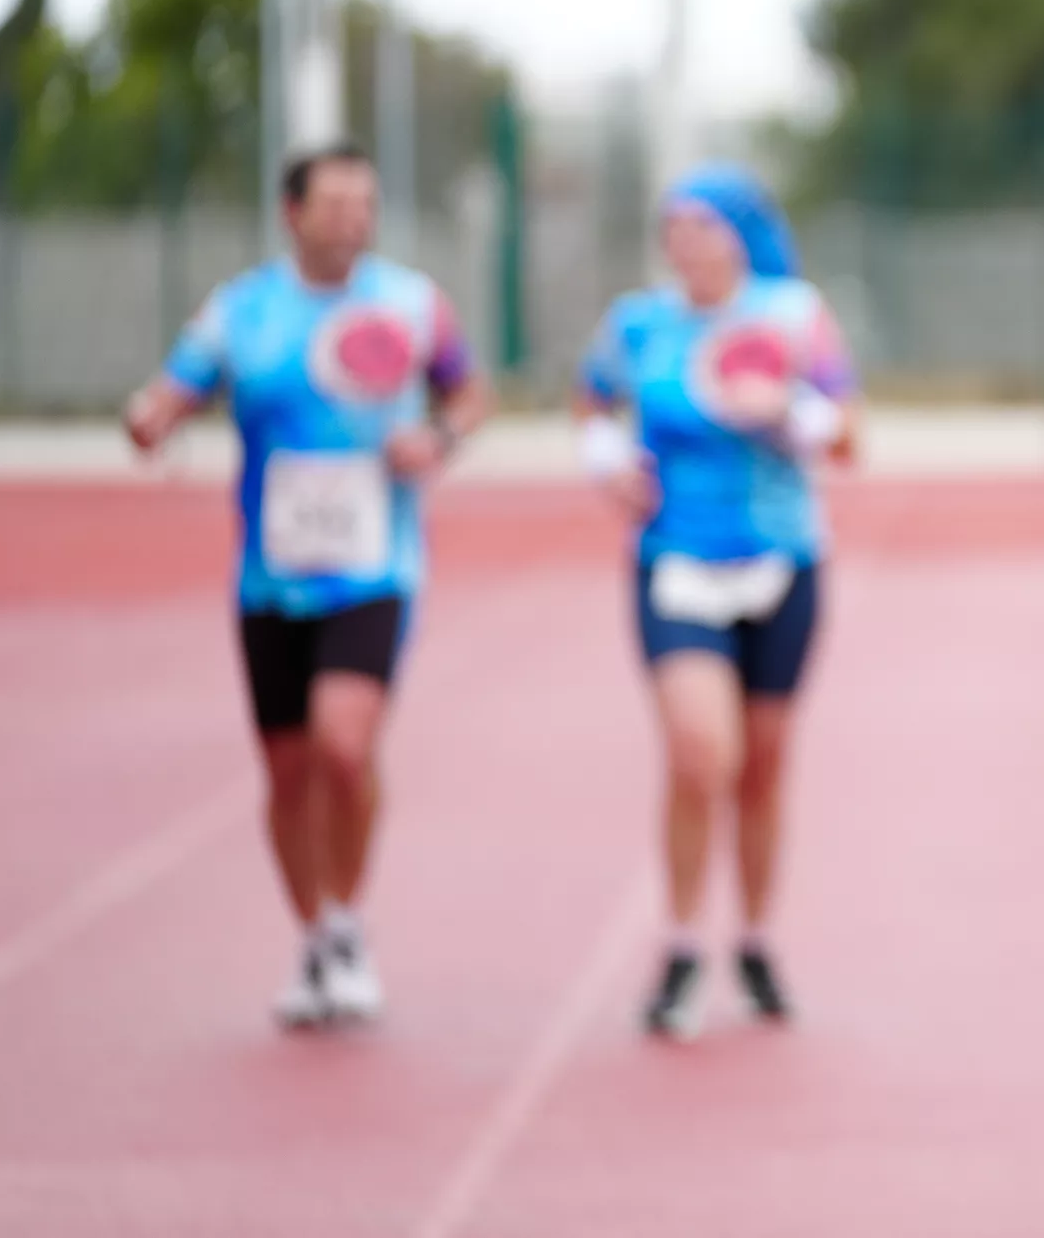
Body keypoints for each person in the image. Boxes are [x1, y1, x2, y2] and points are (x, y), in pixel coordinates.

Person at [121, 141, 488, 1027]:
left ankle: (350, 921)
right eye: (335, 204)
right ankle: (312, 933)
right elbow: (170, 395)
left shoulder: (411, 302)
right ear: (293, 213)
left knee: (344, 745)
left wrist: (436, 440)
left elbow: (469, 394)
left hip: (375, 565)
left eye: (364, 203)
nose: (353, 219)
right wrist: (151, 419)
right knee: (287, 772)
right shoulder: (241, 311)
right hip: (270, 577)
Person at [576, 164, 859, 1038]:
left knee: (765, 765)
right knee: (703, 754)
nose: (688, 242)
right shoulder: (638, 323)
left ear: (743, 233)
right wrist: (607, 466)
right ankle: (682, 943)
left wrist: (788, 410)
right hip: (677, 563)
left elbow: (848, 434)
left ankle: (756, 938)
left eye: (706, 225)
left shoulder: (795, 316)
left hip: (782, 564)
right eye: (676, 226)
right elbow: (591, 409)